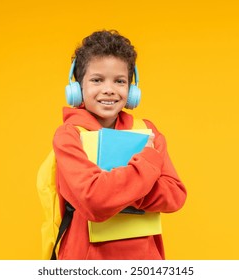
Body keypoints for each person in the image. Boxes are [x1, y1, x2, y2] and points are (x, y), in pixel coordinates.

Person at [52, 30, 187, 259]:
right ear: (77, 88)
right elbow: (94, 201)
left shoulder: (147, 130)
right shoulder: (69, 135)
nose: (109, 89)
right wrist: (147, 165)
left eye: (120, 81)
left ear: (132, 89)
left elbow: (175, 195)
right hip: (86, 259)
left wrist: (114, 189)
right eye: (97, 80)